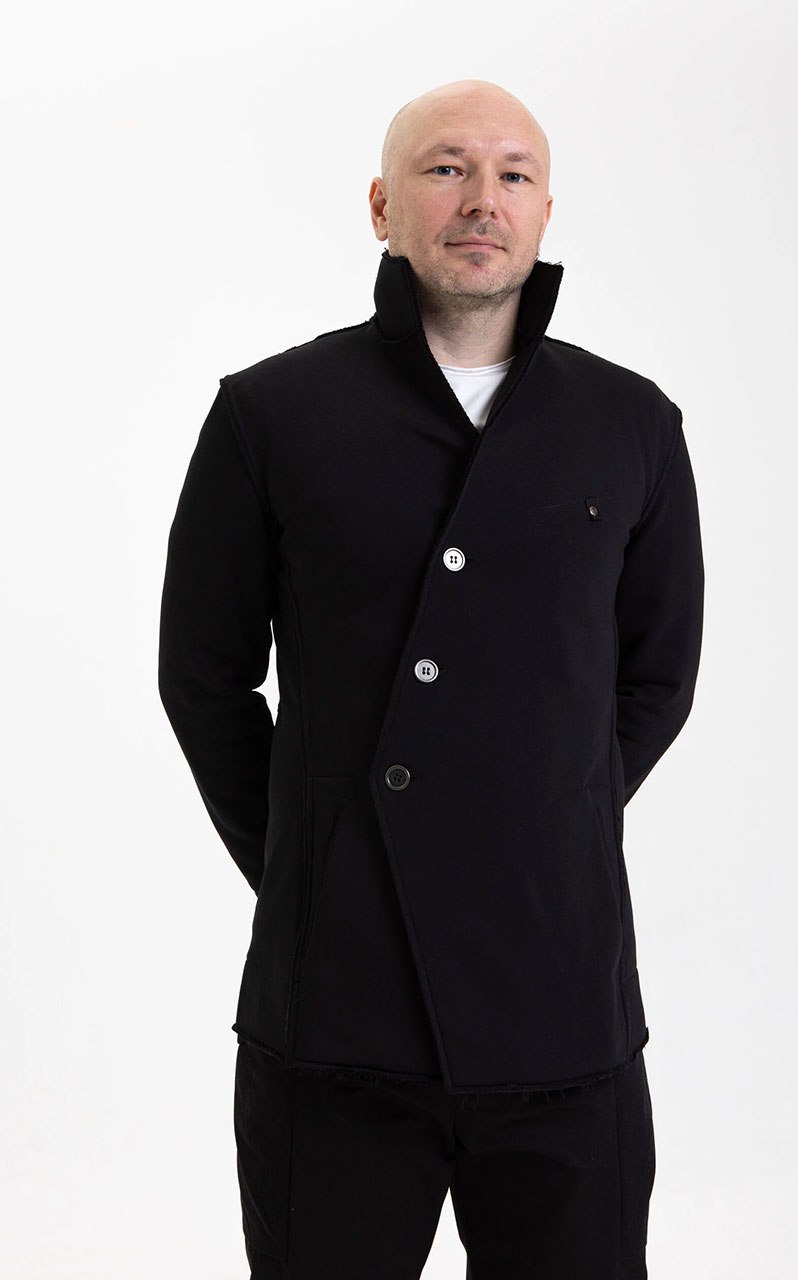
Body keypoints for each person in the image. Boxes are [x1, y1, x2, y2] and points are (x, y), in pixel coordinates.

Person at [158, 77, 704, 1278]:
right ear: (381, 206)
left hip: (561, 1007)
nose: (481, 199)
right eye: (445, 167)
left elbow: (657, 673)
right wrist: (314, 858)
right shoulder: (270, 412)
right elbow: (202, 676)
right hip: (334, 1013)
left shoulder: (631, 423)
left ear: (545, 210)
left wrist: (542, 821)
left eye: (513, 174)